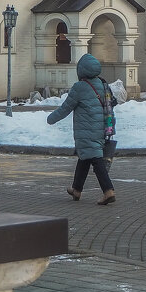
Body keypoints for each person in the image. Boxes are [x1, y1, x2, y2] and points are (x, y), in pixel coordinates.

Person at [47, 53, 116, 204]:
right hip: (101, 128)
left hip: (86, 130)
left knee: (96, 160)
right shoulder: (102, 84)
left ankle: (108, 191)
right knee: (84, 158)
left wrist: (51, 119)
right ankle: (76, 190)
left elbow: (66, 108)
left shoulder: (79, 87)